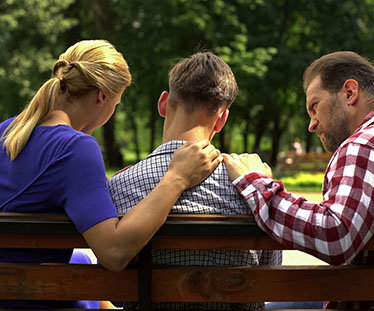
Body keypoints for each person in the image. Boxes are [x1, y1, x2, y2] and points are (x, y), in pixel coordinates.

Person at [0, 40, 221, 309]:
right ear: (102, 97)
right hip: (25, 298)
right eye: (116, 104)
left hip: (13, 280)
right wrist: (177, 177)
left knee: (81, 263)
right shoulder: (75, 148)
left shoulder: (8, 131)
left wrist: (93, 185)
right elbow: (114, 253)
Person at [223, 51, 374, 309]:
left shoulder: (366, 146)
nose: (311, 124)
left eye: (314, 107)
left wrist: (256, 183)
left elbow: (336, 234)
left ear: (350, 93)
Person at [107, 51, 281, 310]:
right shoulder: (252, 187)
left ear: (163, 103)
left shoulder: (119, 186)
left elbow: (117, 294)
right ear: (222, 119)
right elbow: (268, 279)